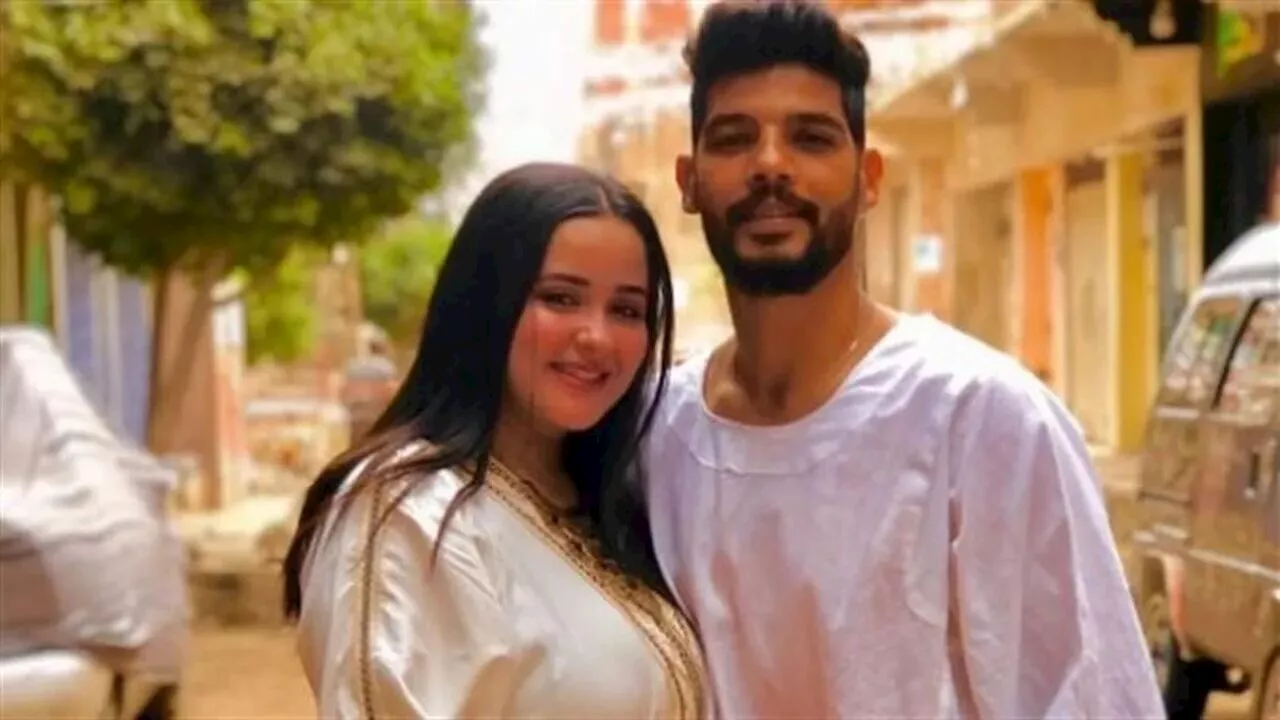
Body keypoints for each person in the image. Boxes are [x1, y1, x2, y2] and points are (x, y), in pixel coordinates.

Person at [643, 2, 1164, 717]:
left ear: (869, 179)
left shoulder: (980, 418)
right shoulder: (658, 438)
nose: (770, 165)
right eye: (735, 139)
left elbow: (1094, 698)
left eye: (811, 138)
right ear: (689, 181)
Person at [282, 163, 706, 719]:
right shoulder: (409, 513)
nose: (597, 336)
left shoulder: (610, 501)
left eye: (626, 309)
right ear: (485, 305)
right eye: (560, 298)